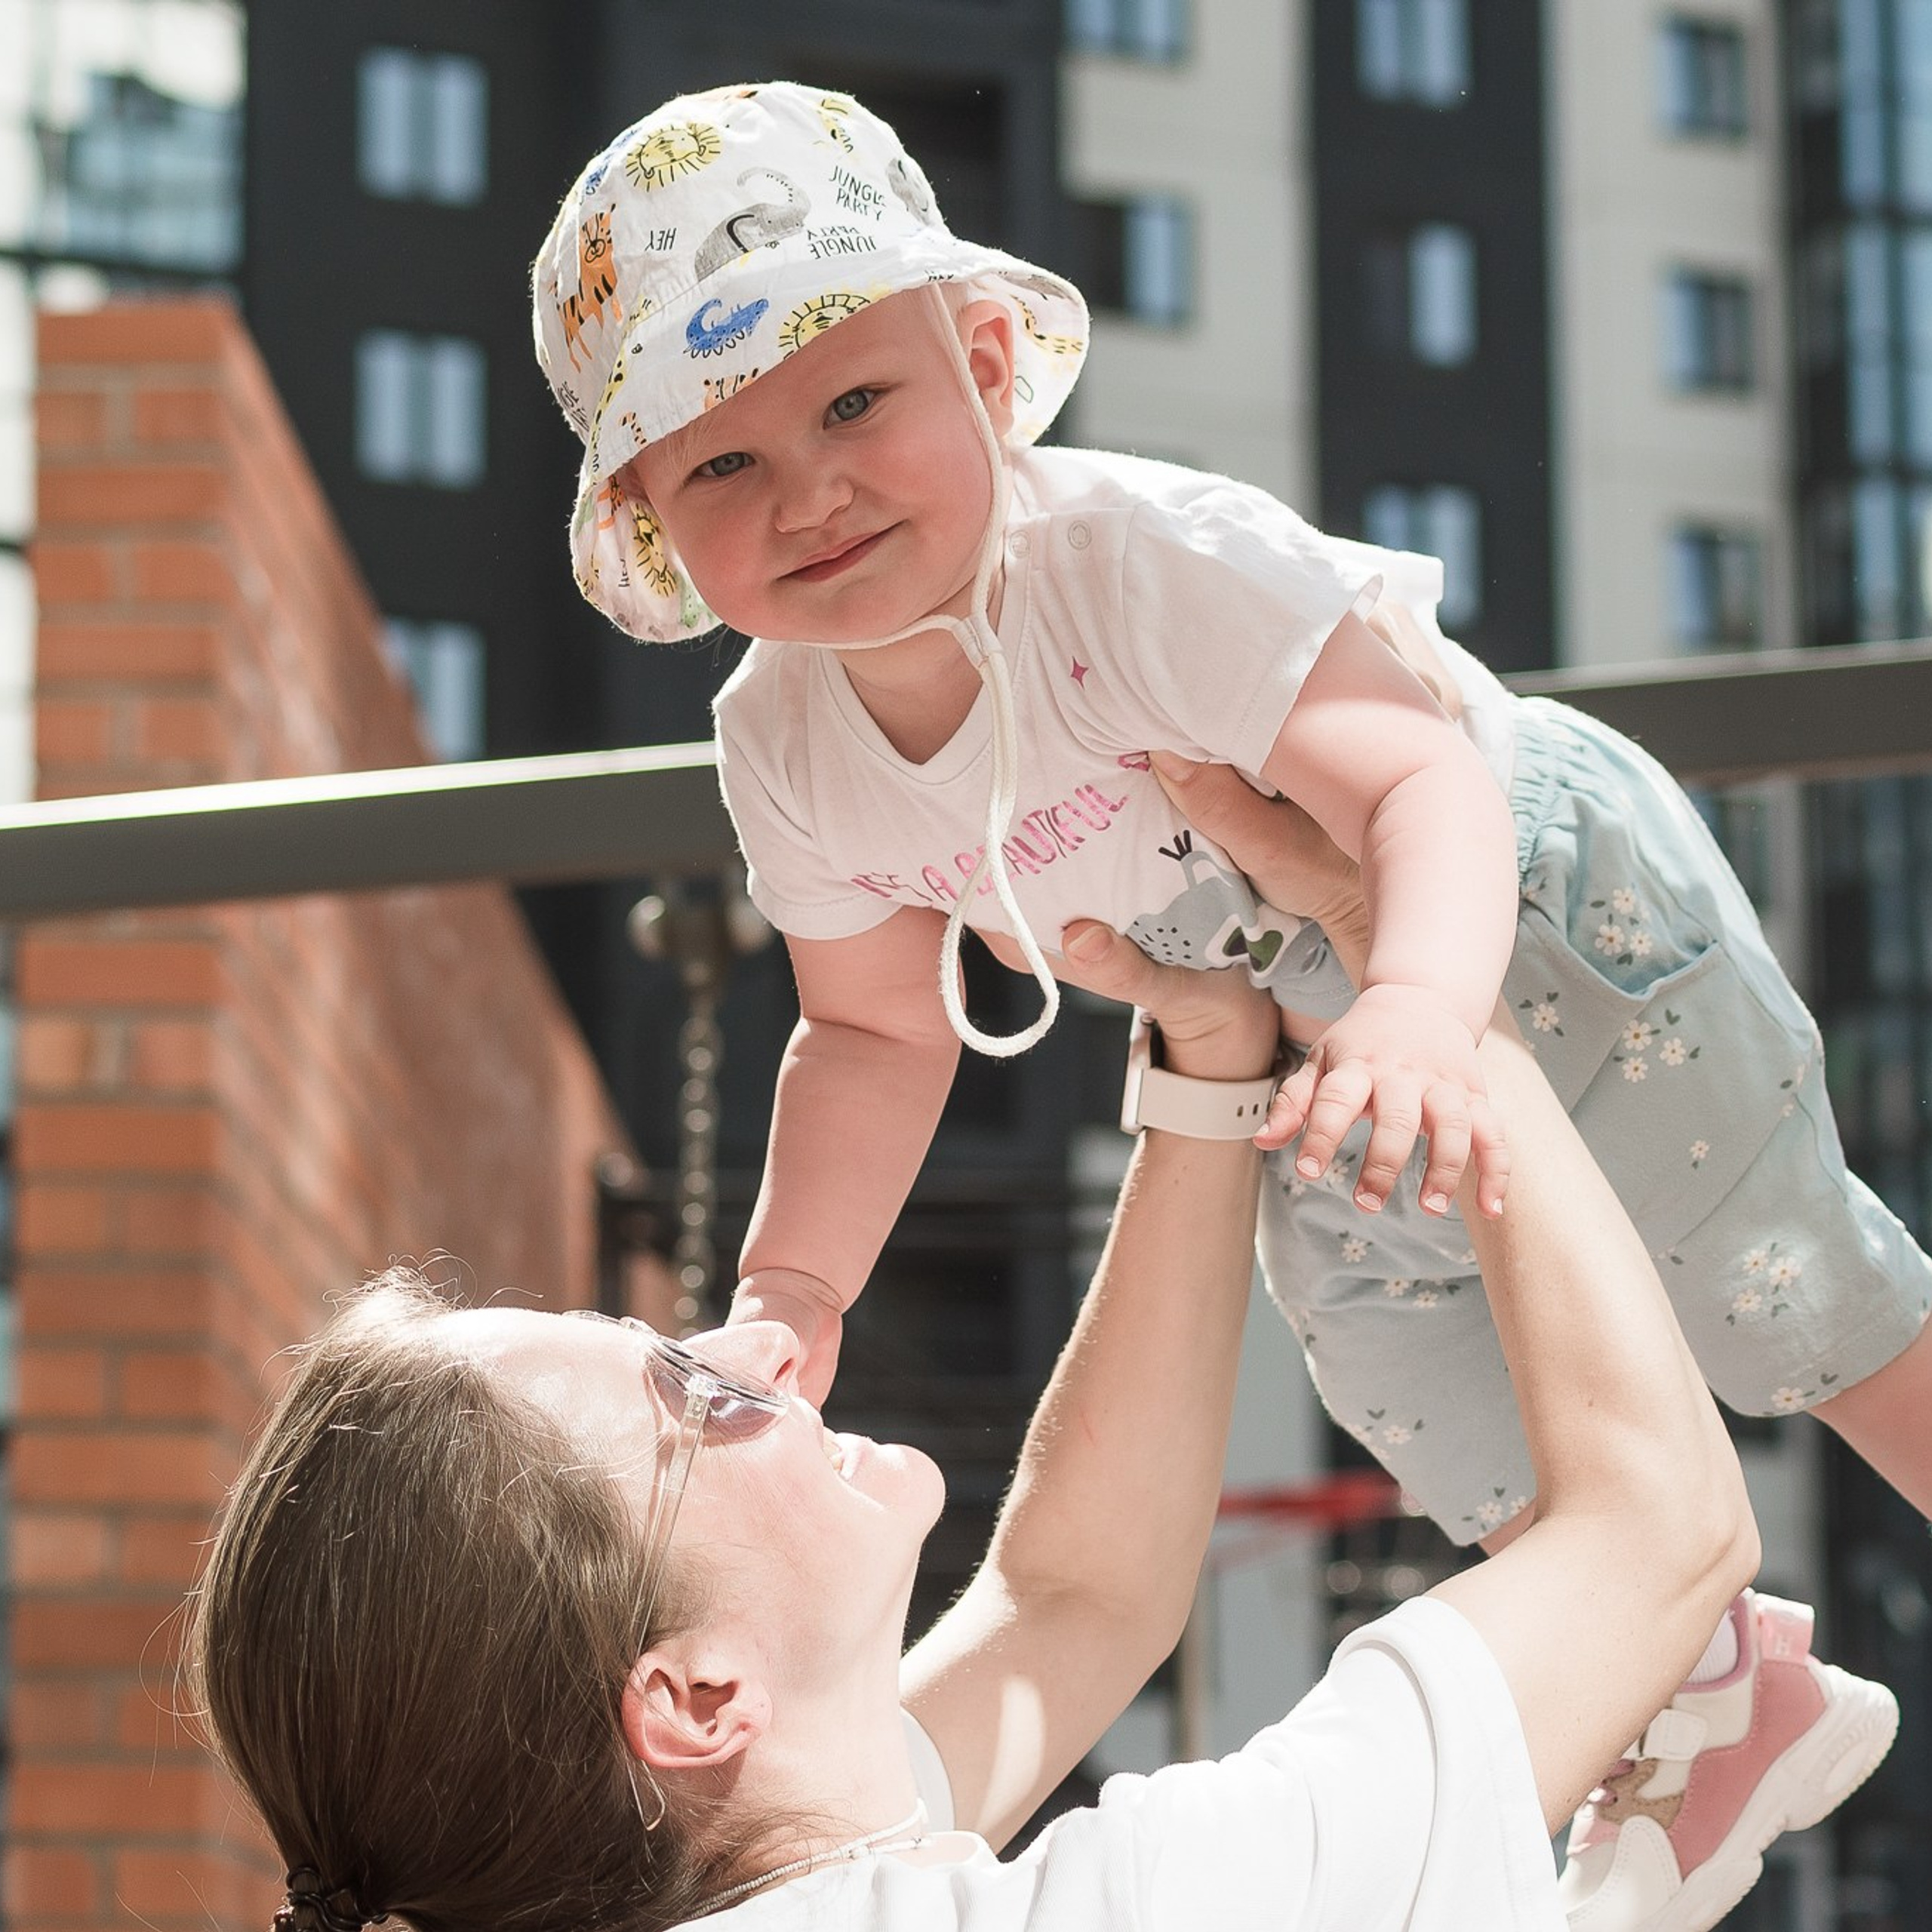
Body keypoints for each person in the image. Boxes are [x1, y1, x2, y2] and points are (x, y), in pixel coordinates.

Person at [530, 85, 1924, 1927]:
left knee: (1780, 1289)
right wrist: (793, 1291)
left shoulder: (1128, 562)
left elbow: (1420, 784)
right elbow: (872, 1029)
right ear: (647, 518)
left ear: (977, 358)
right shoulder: (779, 741)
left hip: (1526, 915)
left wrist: (1426, 1002)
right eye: (719, 467)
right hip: (1296, 1026)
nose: (810, 494)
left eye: (852, 402)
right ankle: (1717, 1688)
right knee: (1406, 1375)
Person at [190, 765, 1762, 1932]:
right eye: (682, 1392)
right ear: (691, 1695)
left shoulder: (713, 1865)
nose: (743, 1348)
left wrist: (1210, 1069)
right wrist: (1402, 960)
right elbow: (1659, 1526)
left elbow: (1071, 1602)